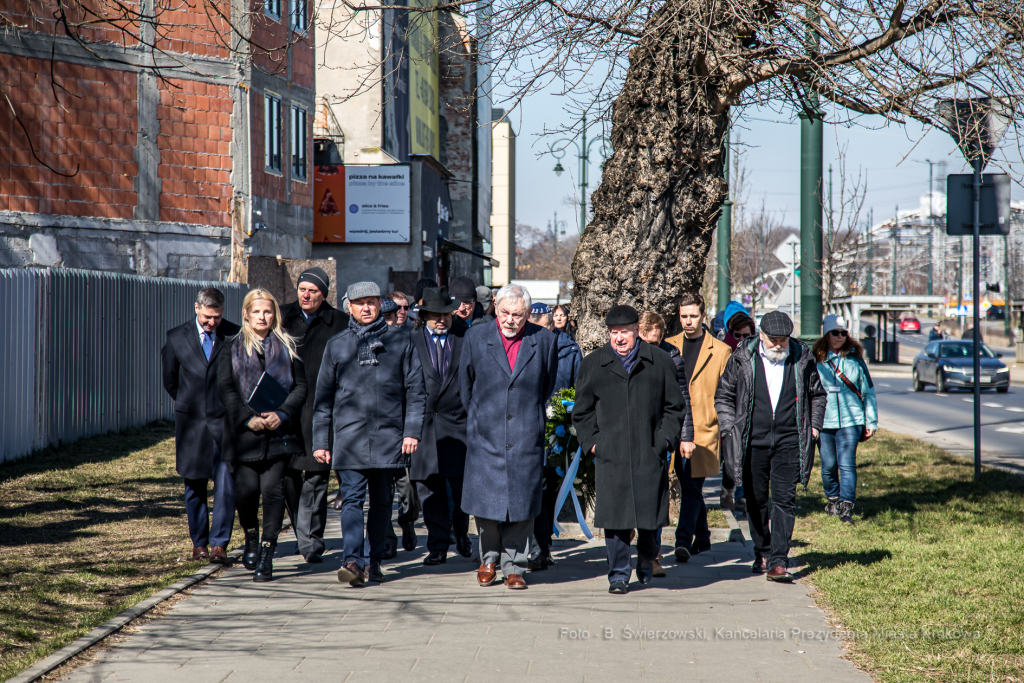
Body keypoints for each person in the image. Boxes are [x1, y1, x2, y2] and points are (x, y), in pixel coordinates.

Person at [312, 282, 426, 586]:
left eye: (372, 302)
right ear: (349, 306)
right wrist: (321, 441)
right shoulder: (337, 345)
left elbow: (416, 391)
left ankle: (374, 560)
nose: (366, 308)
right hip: (349, 438)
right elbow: (323, 398)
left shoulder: (401, 342)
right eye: (359, 303)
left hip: (389, 435)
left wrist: (411, 431)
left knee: (381, 501)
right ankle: (352, 559)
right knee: (351, 499)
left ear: (380, 305)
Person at [573, 305, 688, 594]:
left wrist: (663, 440)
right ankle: (618, 575)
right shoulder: (594, 363)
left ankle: (648, 556)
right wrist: (594, 443)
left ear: (637, 330)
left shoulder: (660, 361)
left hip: (649, 450)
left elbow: (674, 407)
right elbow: (582, 412)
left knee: (650, 518)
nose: (619, 338)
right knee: (615, 519)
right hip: (610, 454)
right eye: (614, 333)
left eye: (625, 332)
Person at [459, 283, 559, 589]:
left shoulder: (543, 340)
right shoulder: (476, 337)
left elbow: (547, 385)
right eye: (504, 313)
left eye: (517, 314)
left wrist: (528, 418)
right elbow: (466, 386)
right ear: (495, 310)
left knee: (521, 504)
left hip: (525, 434)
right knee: (486, 503)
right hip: (486, 434)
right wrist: (482, 418)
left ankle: (515, 565)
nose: (510, 320)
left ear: (528, 314)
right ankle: (488, 559)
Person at [715, 310, 827, 582]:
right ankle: (762, 550)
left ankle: (778, 560)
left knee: (784, 500)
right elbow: (724, 396)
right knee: (755, 501)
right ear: (761, 335)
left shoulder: (802, 358)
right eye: (773, 339)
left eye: (783, 340)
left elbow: (818, 395)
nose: (778, 345)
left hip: (790, 440)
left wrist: (814, 427)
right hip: (752, 441)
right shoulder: (742, 358)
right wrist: (730, 429)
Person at [217, 289, 307, 582]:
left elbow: (300, 387)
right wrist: (247, 419)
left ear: (274, 314)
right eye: (256, 312)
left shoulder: (289, 346)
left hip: (279, 434)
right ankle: (251, 536)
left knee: (272, 491)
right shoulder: (231, 347)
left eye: (267, 312)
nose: (262, 317)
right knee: (247, 492)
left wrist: (282, 413)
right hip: (244, 436)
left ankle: (267, 552)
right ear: (246, 314)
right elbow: (226, 388)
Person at [161, 288, 241, 564]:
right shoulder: (175, 337)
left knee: (225, 482)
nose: (212, 323)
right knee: (194, 484)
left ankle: (220, 544)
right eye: (207, 317)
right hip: (191, 422)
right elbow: (171, 380)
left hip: (225, 422)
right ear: (197, 308)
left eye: (217, 318)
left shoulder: (234, 334)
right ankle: (199, 544)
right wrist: (190, 403)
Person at [280, 268, 347, 564]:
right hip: (286, 409)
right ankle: (302, 533)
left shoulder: (340, 323)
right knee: (288, 477)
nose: (305, 295)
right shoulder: (282, 317)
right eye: (302, 289)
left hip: (322, 410)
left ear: (324, 294)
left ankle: (311, 540)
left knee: (317, 477)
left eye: (313, 291)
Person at [664, 292, 731, 562]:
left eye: (693, 316)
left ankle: (682, 540)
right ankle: (703, 538)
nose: (688, 321)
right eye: (683, 316)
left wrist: (722, 424)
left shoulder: (721, 350)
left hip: (704, 428)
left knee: (691, 485)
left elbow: (726, 393)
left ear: (703, 316)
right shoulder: (668, 345)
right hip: (674, 425)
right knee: (687, 482)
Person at [410, 287, 474, 565]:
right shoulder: (411, 340)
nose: (441, 320)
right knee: (430, 490)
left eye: (445, 314)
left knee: (462, 489)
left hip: (458, 425)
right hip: (423, 427)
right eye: (435, 315)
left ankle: (461, 533)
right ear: (424, 316)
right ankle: (436, 546)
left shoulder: (465, 338)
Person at [637, 310, 694, 578]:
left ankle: (653, 556)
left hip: (658, 436)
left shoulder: (672, 356)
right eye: (648, 343)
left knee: (656, 497)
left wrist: (684, 436)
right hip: (630, 435)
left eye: (657, 342)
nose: (654, 347)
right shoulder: (627, 354)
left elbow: (682, 398)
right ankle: (629, 551)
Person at [526, 302, 582, 571]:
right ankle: (537, 548)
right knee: (535, 488)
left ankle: (544, 545)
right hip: (528, 427)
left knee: (549, 489)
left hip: (557, 429)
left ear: (552, 324)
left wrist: (566, 414)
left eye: (541, 324)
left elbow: (577, 388)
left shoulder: (569, 349)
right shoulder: (526, 344)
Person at [813, 315, 877, 525]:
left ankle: (846, 505)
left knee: (847, 463)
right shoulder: (817, 362)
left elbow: (868, 391)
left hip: (852, 420)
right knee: (829, 464)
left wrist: (871, 421)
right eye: (835, 333)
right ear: (826, 335)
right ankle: (832, 498)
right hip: (825, 420)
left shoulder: (855, 360)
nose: (840, 337)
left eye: (843, 333)